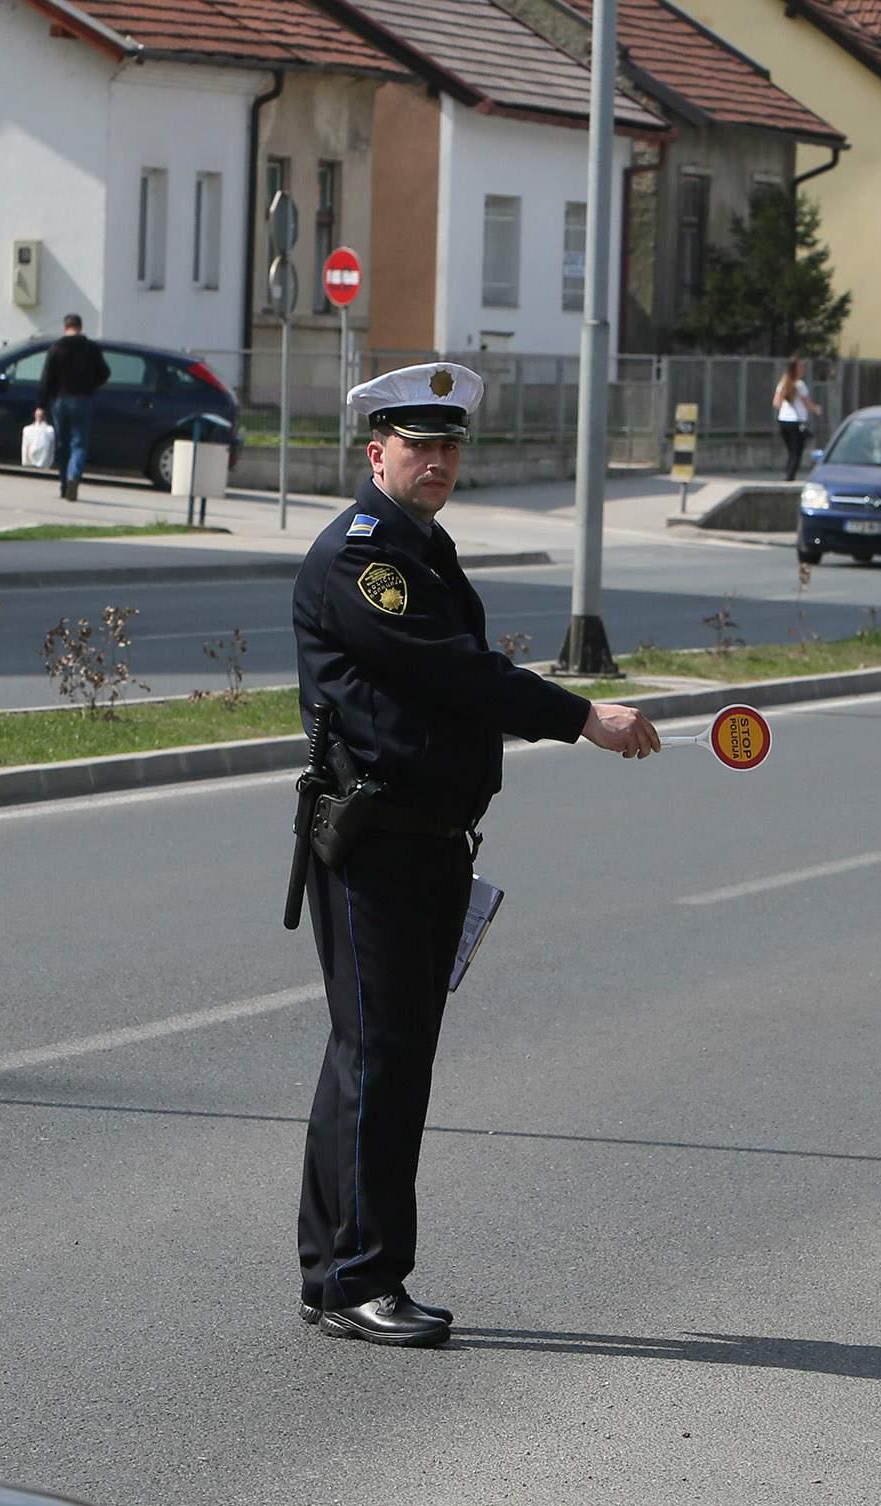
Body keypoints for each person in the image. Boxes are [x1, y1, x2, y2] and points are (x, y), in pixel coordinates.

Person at [289, 362, 664, 1348]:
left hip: (423, 842)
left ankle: (334, 1271)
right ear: (376, 452)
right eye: (419, 445)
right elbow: (454, 670)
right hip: (376, 843)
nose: (439, 461)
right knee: (381, 1059)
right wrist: (581, 715)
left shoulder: (423, 546)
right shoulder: (360, 557)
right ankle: (363, 1279)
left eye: (450, 446)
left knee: (367, 1057)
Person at [36, 313, 112, 502]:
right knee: (79, 443)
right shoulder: (91, 348)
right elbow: (105, 373)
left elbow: (46, 378)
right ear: (80, 327)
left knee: (63, 445)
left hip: (60, 400)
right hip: (83, 400)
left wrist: (41, 405)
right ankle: (73, 476)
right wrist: (91, 384)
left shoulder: (56, 348)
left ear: (65, 327)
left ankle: (63, 485)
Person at [776, 357, 819, 477]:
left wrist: (786, 408)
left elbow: (776, 402)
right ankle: (789, 477)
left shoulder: (782, 384)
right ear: (795, 369)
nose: (803, 369)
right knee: (797, 451)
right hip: (796, 422)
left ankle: (787, 474)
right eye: (801, 367)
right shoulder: (800, 385)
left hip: (783, 421)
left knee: (791, 450)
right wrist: (816, 409)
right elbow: (807, 402)